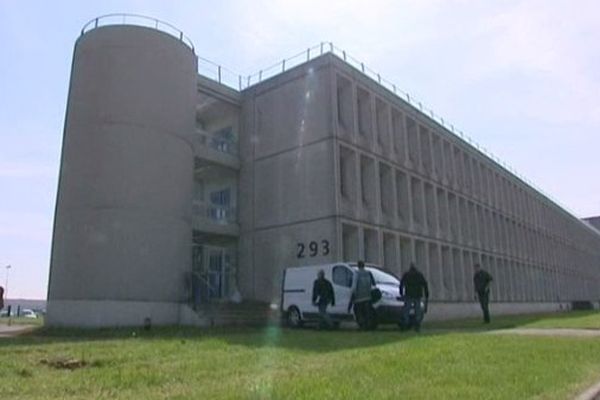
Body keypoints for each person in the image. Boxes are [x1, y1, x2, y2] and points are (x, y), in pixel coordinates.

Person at [399, 263, 429, 332]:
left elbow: (401, 284)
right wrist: (426, 294)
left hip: (409, 294)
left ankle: (405, 324)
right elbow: (425, 284)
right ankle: (417, 325)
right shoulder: (419, 275)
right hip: (417, 295)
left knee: (406, 310)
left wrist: (401, 293)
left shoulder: (406, 275)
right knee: (417, 311)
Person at [348, 260, 376, 330]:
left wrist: (352, 294)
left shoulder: (356, 273)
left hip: (359, 298)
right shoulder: (368, 273)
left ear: (358, 265)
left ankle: (362, 326)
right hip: (368, 296)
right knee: (367, 313)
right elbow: (373, 284)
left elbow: (354, 286)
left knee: (358, 312)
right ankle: (368, 326)